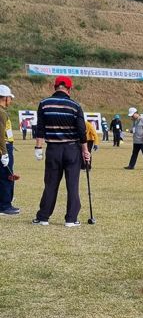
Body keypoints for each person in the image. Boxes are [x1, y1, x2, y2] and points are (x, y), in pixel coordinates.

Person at [32, 76, 91, 227]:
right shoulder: (75, 106)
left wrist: (38, 148)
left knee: (50, 184)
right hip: (72, 149)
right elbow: (81, 131)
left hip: (53, 149)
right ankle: (71, 219)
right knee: (72, 184)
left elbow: (40, 128)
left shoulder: (44, 104)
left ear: (55, 87)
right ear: (69, 89)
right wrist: (85, 151)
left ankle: (43, 217)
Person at [0, 84, 20, 215]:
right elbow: (0, 134)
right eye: (9, 97)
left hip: (4, 147)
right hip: (4, 147)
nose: (10, 100)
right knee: (6, 177)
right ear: (5, 98)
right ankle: (5, 205)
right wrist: (4, 153)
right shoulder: (1, 112)